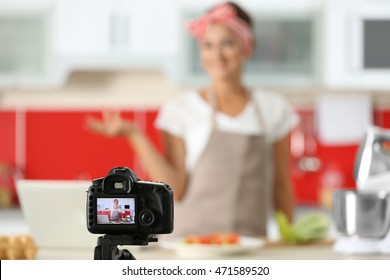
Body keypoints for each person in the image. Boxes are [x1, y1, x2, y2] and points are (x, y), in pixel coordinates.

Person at [87, 2, 299, 237]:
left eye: (228, 43)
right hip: (190, 246)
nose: (216, 54)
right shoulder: (180, 110)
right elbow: (174, 189)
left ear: (247, 47)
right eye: (208, 45)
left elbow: (281, 186)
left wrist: (288, 238)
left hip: (251, 246)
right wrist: (134, 135)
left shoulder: (273, 109)